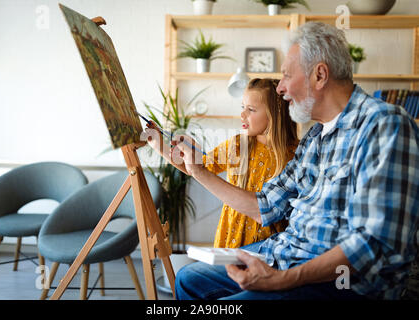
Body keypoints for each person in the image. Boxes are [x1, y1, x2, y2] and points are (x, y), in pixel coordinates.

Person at [170, 21, 419, 300]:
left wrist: (282, 280)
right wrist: (198, 170)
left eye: (287, 75)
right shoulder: (314, 138)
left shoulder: (385, 125)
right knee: (189, 279)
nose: (280, 89)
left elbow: (371, 245)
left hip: (341, 283)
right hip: (288, 256)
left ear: (320, 75)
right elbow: (265, 206)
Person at [145, 78, 299, 248]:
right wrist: (159, 145)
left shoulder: (296, 154)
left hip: (270, 249)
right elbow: (196, 167)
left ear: (275, 113)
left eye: (251, 109)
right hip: (230, 241)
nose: (242, 115)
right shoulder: (238, 145)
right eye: (242, 107)